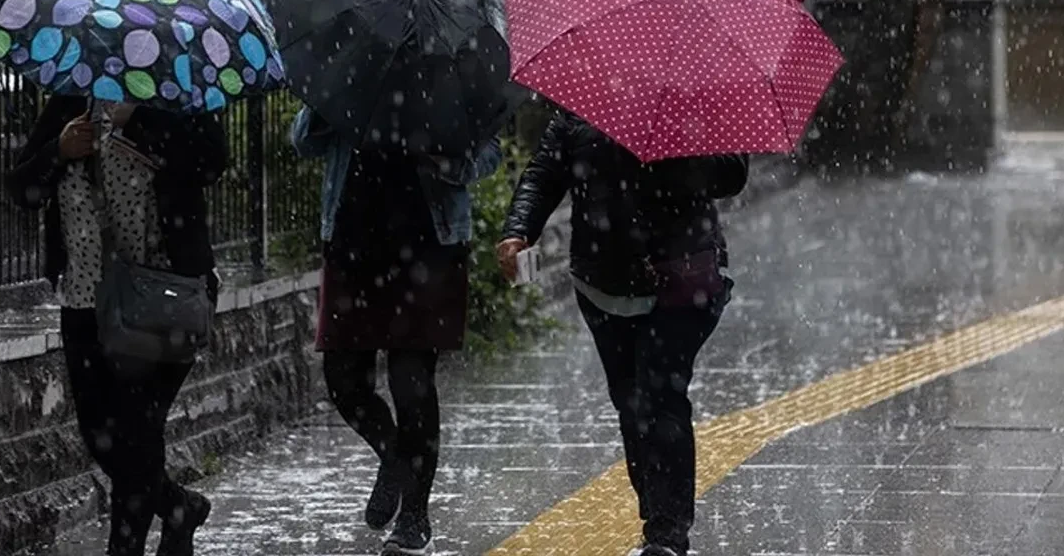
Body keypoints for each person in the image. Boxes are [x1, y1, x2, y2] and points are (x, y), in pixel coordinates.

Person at [496, 109, 748, 556]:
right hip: (602, 282)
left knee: (660, 394)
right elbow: (544, 174)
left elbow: (732, 174)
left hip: (682, 276)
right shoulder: (578, 108)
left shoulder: (691, 96)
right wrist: (519, 230)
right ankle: (655, 513)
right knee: (631, 403)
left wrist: (678, 150)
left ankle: (668, 534)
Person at [6, 94, 227, 556]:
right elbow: (21, 191)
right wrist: (58, 152)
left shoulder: (176, 96)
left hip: (161, 300)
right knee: (100, 436)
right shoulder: (70, 104)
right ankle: (179, 507)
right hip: (85, 302)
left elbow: (211, 164)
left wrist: (142, 120)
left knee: (138, 432)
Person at [291, 107, 501, 556]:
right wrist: (328, 108)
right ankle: (395, 460)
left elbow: (489, 153)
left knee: (412, 385)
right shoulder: (354, 58)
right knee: (344, 384)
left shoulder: (453, 66)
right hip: (352, 244)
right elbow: (303, 141)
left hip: (429, 247)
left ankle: (414, 516)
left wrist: (448, 161)